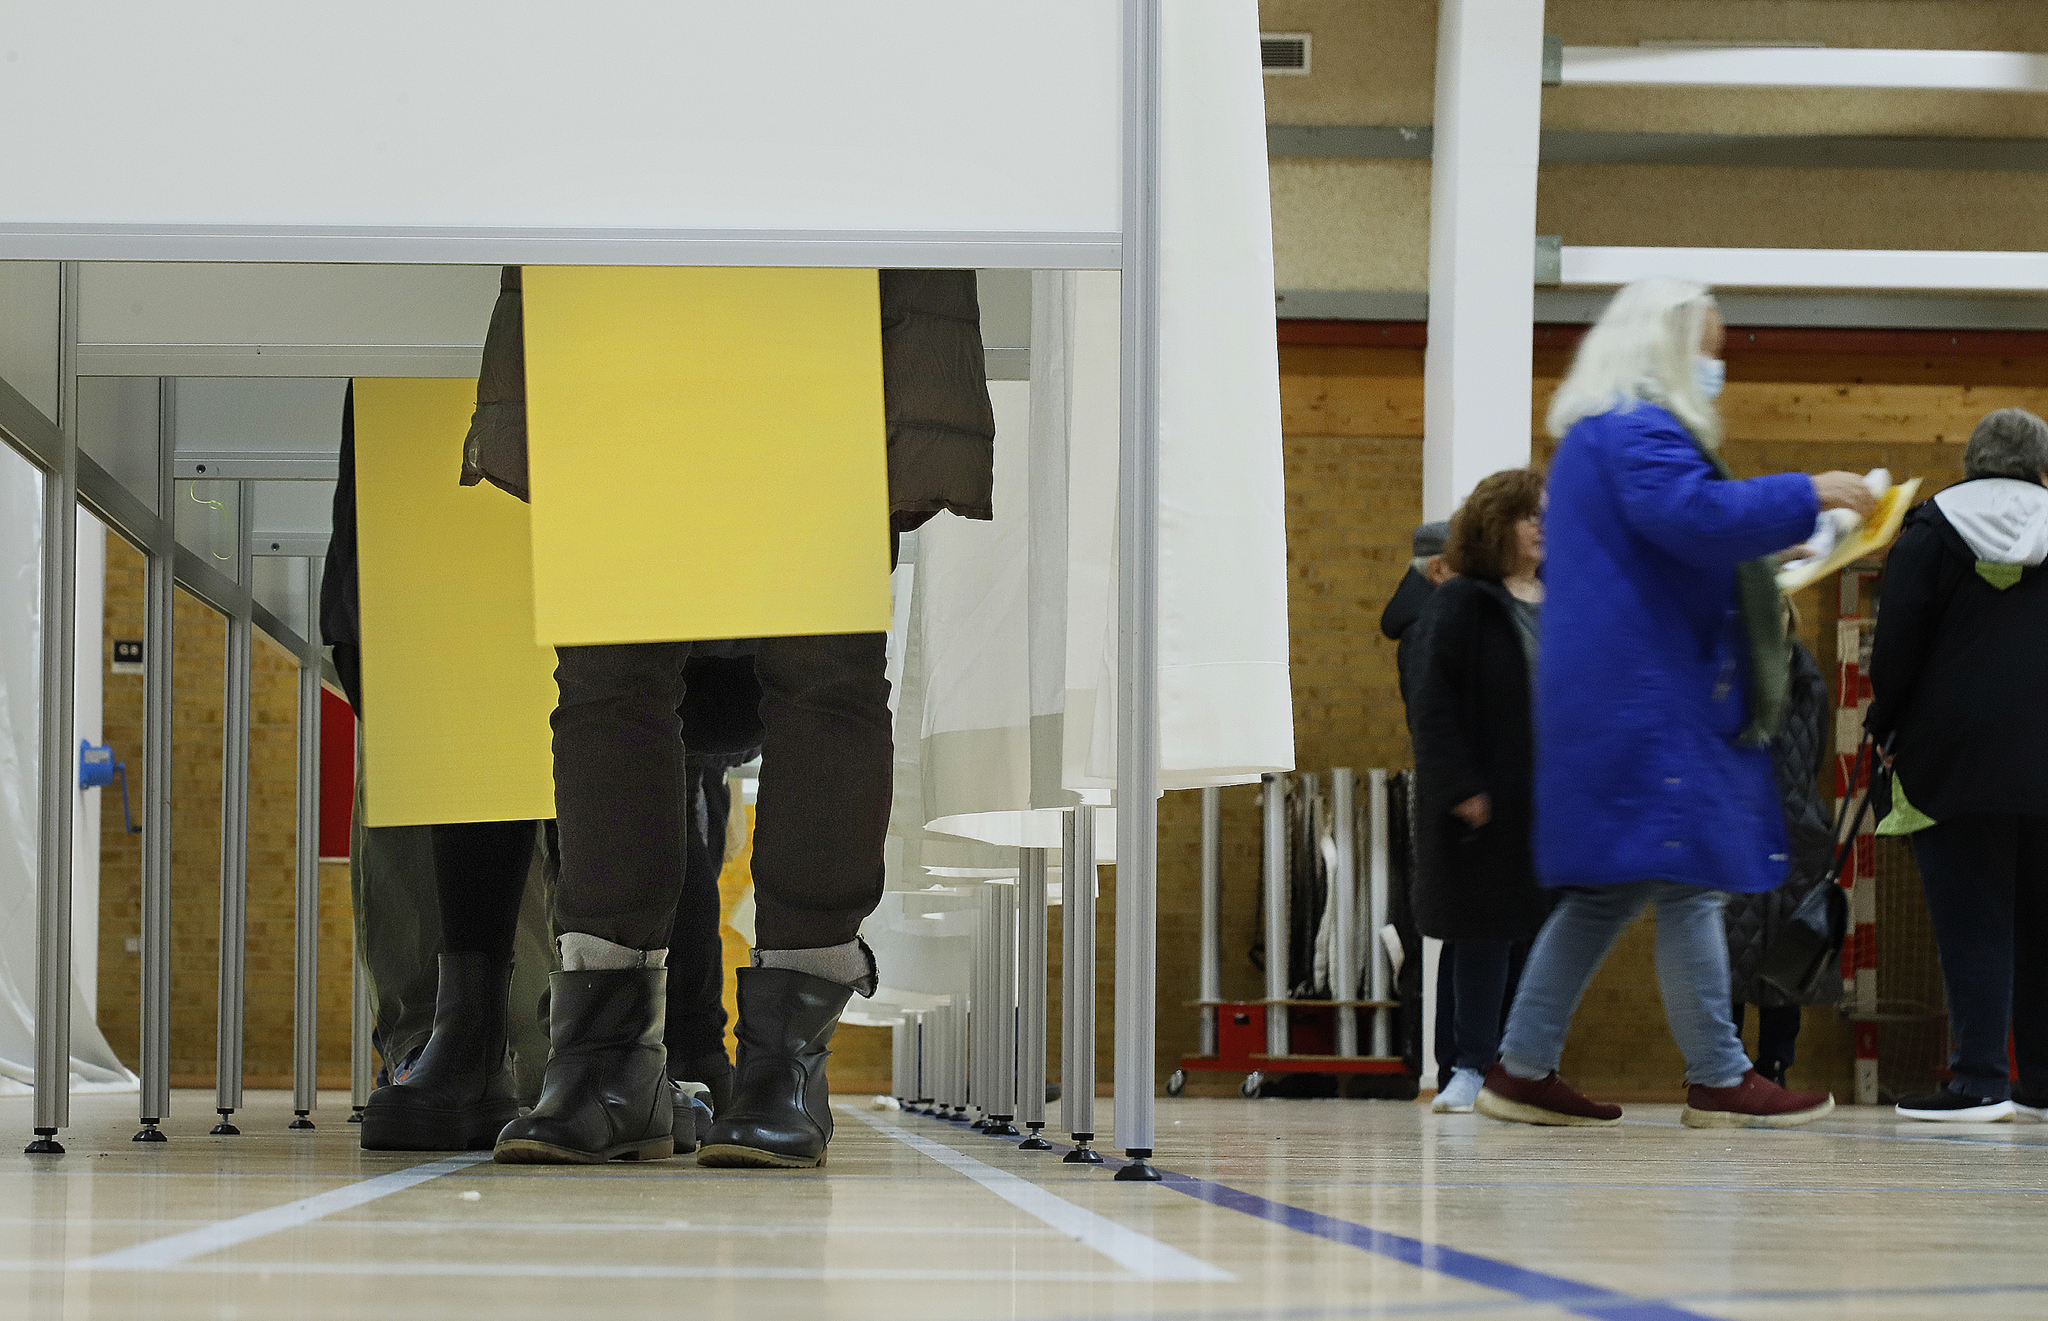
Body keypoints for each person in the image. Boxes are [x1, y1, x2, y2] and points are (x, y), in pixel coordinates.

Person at [466, 267, 995, 1167]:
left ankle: (784, 1065)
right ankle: (604, 1062)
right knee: (608, 662)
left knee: (822, 657)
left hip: (825, 237)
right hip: (621, 240)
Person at [1475, 276, 1870, 1130]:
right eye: (1709, 346)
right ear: (1665, 345)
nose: (1715, 364)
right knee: (1686, 880)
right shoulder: (1638, 432)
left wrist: (1766, 542)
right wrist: (1809, 490)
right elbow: (1690, 514)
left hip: (1622, 694)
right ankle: (1718, 1077)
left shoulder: (1593, 438)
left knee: (1613, 889)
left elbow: (1669, 547)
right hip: (1649, 701)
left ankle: (1523, 1067)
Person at [1865, 406, 2048, 1123]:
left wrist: (1885, 722)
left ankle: (1977, 1076)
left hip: (1953, 757)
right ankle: (2039, 1080)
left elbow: (1897, 646)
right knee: (2041, 923)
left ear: (1972, 462)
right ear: (2040, 468)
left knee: (1974, 918)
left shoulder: (1931, 528)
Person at [1410, 470, 1553, 1113]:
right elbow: (1434, 706)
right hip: (1487, 800)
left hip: (1551, 796)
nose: (1543, 528)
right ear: (1500, 526)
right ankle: (1469, 1066)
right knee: (1484, 932)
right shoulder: (1463, 601)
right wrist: (1460, 787)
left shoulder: (1563, 597)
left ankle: (1523, 1067)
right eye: (1532, 517)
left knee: (1542, 933)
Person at [1722, 603, 1836, 1086]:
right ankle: (1723, 1067)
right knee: (1726, 956)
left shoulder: (1810, 682)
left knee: (1789, 959)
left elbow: (1815, 757)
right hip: (1736, 830)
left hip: (1796, 836)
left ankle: (1775, 1065)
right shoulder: (1729, 675)